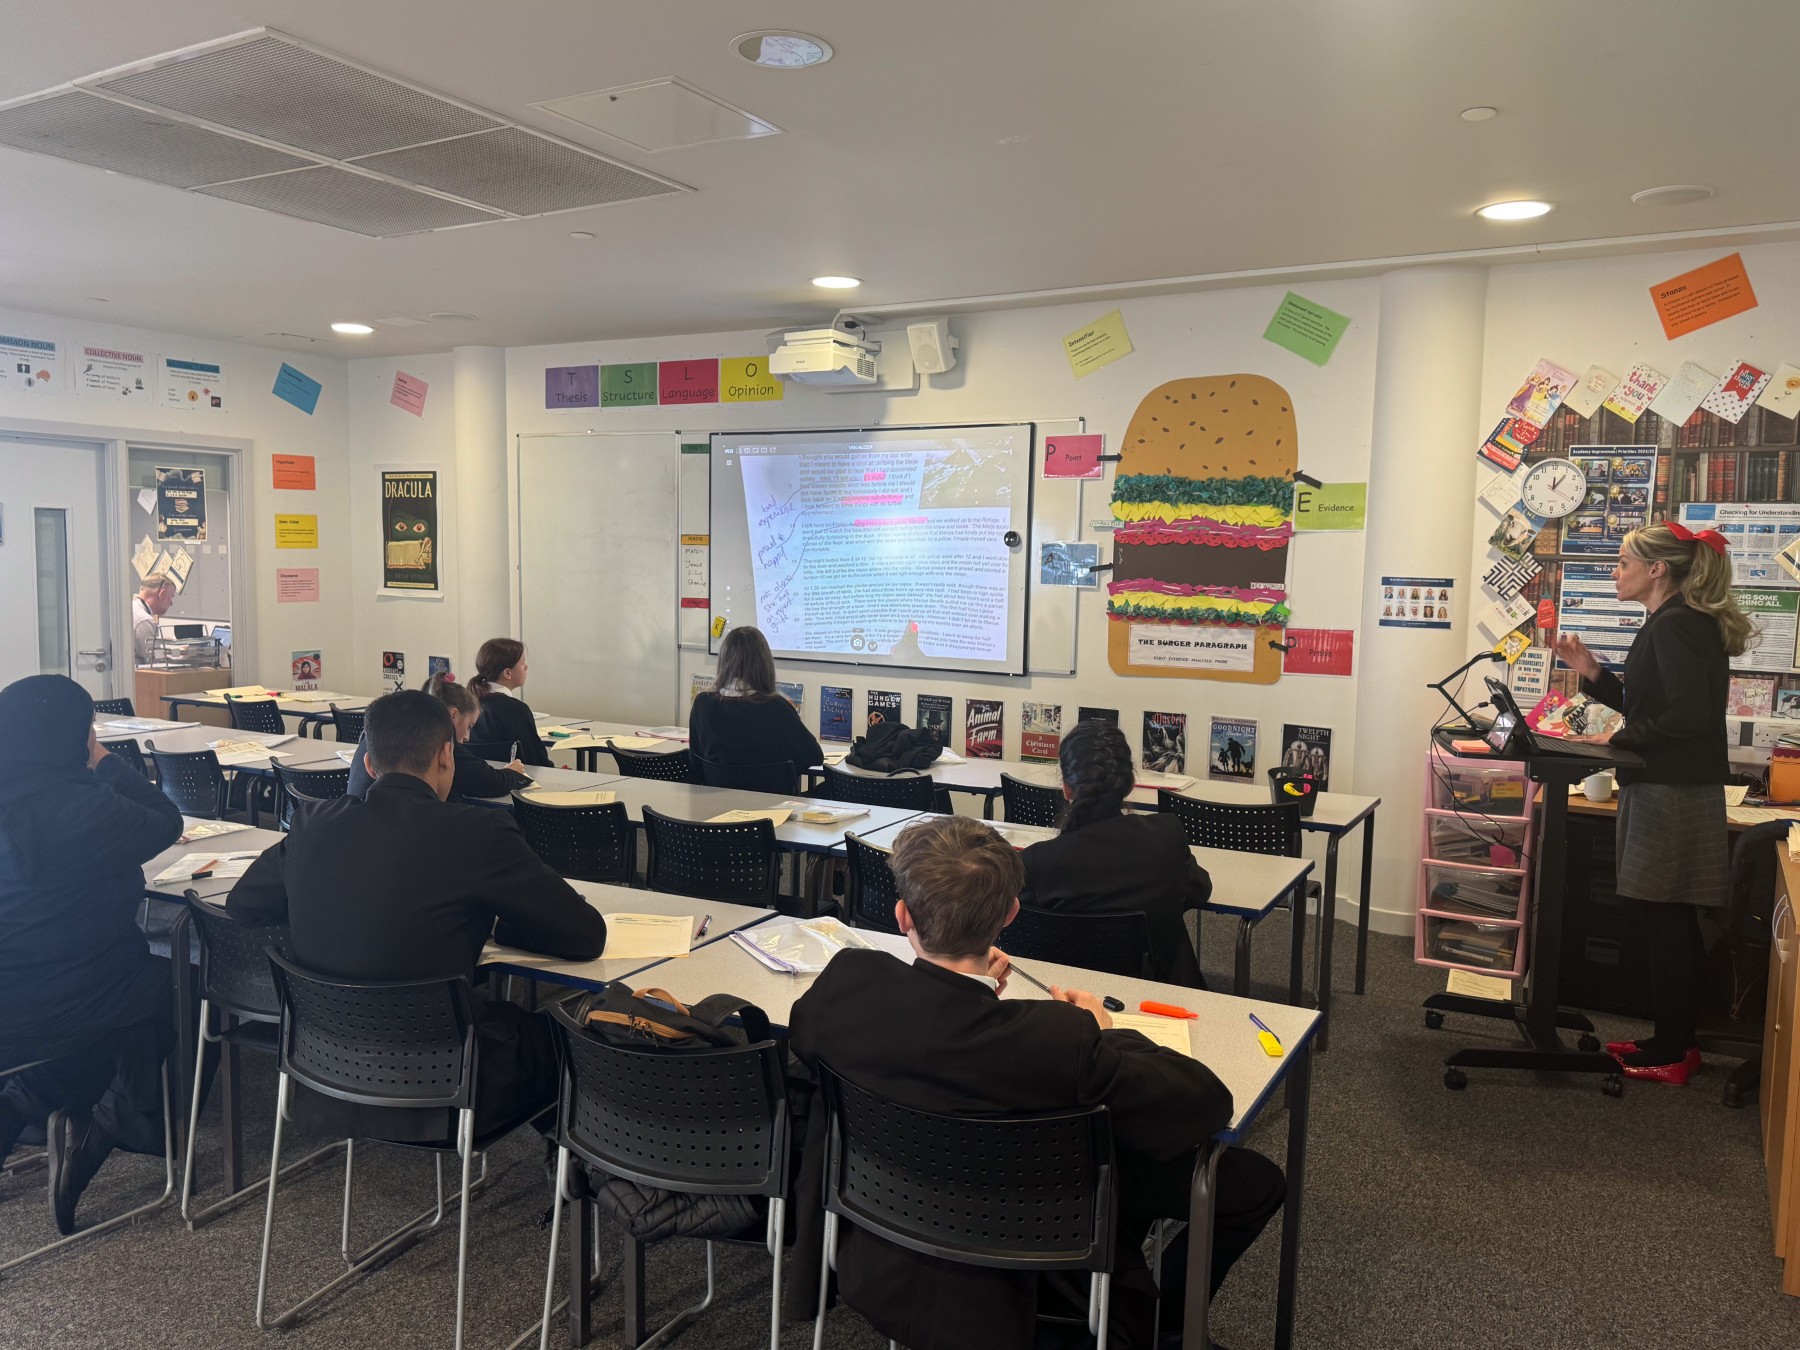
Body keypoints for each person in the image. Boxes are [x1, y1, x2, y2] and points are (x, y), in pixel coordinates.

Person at [787, 815, 1282, 1350]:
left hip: (879, 1249)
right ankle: (1164, 1328)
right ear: (1010, 914)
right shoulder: (1059, 1039)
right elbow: (1207, 1103)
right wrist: (1106, 1032)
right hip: (1021, 1282)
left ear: (903, 914)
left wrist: (969, 991)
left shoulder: (845, 986)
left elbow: (873, 1039)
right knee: (1249, 1181)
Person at [226, 690, 606, 1138]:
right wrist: (502, 927)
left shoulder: (312, 822)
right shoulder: (477, 833)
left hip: (325, 1071)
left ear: (369, 764)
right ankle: (574, 1175)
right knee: (574, 1039)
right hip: (447, 1082)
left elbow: (242, 904)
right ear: (446, 755)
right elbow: (585, 936)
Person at [1553, 520, 1749, 1085]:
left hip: (1672, 792)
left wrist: (1616, 737)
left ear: (1657, 569)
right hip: (1665, 787)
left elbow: (1688, 717)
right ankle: (1675, 1042)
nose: (1615, 573)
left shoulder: (1677, 623)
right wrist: (1592, 673)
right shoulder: (1671, 621)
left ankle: (1673, 1050)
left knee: (1665, 920)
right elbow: (1652, 708)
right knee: (1667, 917)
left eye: (1623, 563)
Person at [0, 674, 184, 1233]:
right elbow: (166, 819)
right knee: (182, 990)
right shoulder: (81, 807)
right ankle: (101, 1128)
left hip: (14, 999)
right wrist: (104, 761)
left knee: (119, 1013)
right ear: (73, 735)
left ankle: (25, 1104)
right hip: (69, 996)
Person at [1018, 720, 1211, 987]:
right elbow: (1198, 890)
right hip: (1159, 996)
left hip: (1064, 995)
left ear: (1066, 788)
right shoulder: (1166, 836)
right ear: (1130, 782)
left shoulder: (1036, 862)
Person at [347, 672, 526, 801]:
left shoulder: (380, 734)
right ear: (454, 715)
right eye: (469, 726)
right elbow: (488, 782)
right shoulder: (438, 744)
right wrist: (513, 773)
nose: (468, 737)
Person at [689, 626, 822, 776]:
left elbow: (695, 760)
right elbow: (814, 757)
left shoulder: (702, 704)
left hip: (716, 790)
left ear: (723, 661)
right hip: (771, 791)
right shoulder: (776, 707)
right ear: (764, 663)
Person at [467, 638, 550, 767]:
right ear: (507, 673)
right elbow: (537, 760)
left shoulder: (467, 703)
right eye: (522, 663)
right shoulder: (516, 710)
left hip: (477, 775)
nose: (526, 667)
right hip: (517, 777)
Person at [131, 573, 176, 664]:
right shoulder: (144, 621)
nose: (171, 603)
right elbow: (155, 662)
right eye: (171, 597)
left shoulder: (131, 609)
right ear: (162, 594)